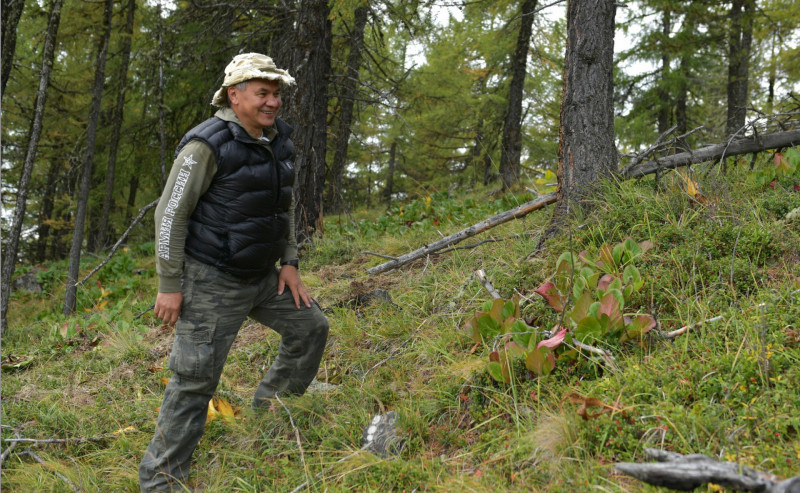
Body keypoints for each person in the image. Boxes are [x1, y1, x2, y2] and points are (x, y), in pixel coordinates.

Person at [139, 53, 330, 492]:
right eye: (263, 93)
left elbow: (279, 206)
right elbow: (170, 215)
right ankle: (161, 481)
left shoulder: (279, 139)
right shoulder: (204, 145)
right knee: (194, 382)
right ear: (235, 95)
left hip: (263, 277)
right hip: (210, 280)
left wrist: (290, 263)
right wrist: (170, 285)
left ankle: (271, 411)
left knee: (310, 327)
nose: (273, 103)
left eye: (276, 94)